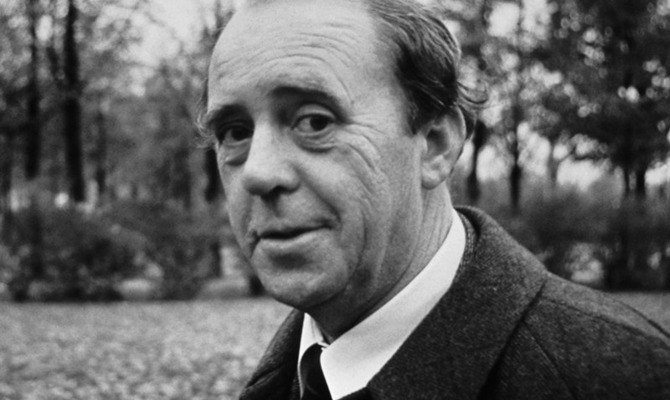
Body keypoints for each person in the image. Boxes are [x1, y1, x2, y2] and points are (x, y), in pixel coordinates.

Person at [200, 0, 670, 398]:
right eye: (235, 132)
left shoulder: (622, 376)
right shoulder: (290, 375)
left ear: (436, 144)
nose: (258, 172)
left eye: (315, 121)